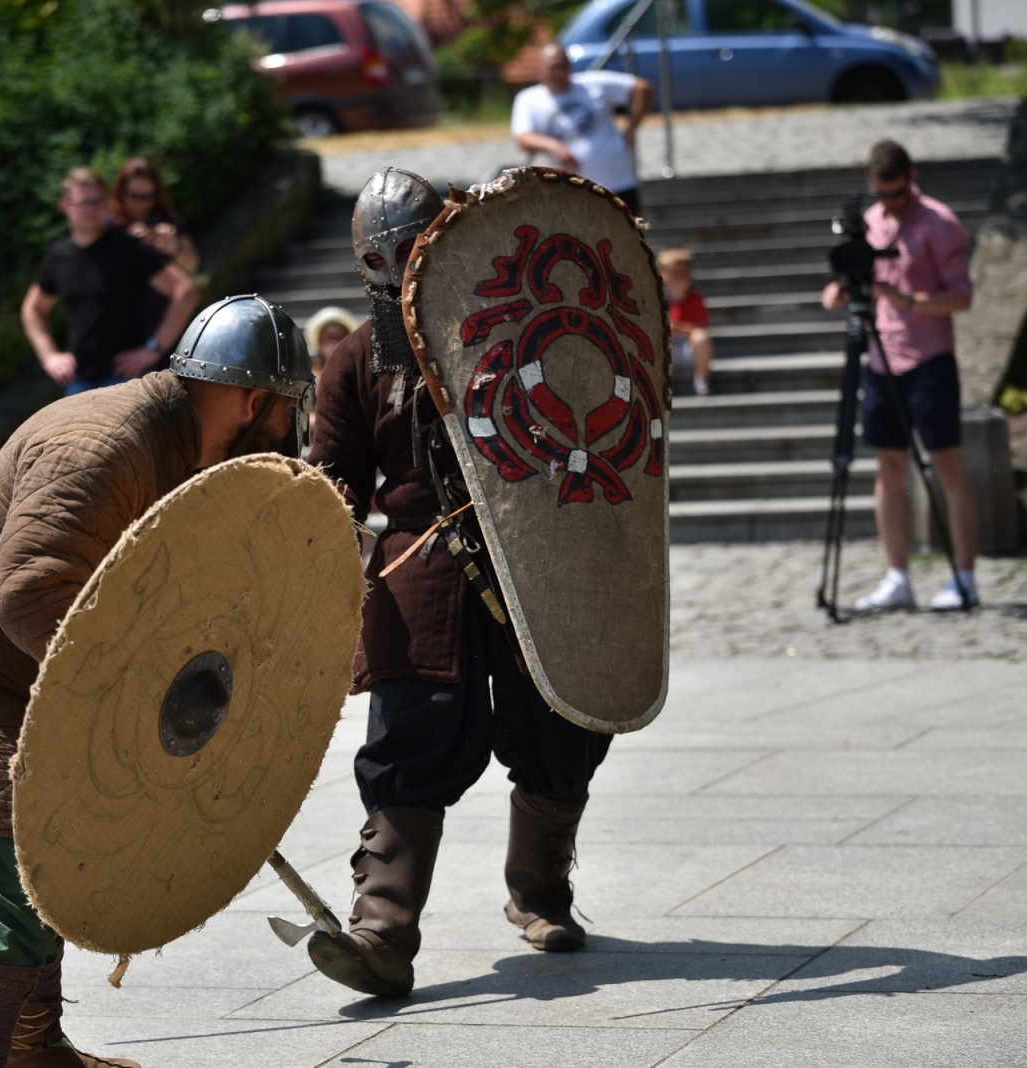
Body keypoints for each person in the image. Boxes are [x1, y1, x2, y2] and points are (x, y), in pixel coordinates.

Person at [0, 294, 314, 1068]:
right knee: (2, 907)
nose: (277, 443)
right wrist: (148, 699)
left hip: (13, 685)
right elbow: (32, 595)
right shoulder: (103, 444)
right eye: (279, 421)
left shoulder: (171, 444)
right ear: (250, 400)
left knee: (46, 881)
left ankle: (36, 1051)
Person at [304, 168, 614, 999]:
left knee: (560, 721)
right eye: (388, 255)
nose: (406, 266)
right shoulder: (355, 359)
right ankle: (383, 930)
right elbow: (332, 477)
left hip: (533, 554)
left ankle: (540, 892)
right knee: (413, 734)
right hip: (420, 574)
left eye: (419, 247)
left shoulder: (524, 332)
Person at [821, 140, 979, 612]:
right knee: (888, 467)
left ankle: (965, 577)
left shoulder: (939, 222)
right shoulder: (869, 221)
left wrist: (905, 299)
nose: (891, 202)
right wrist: (840, 291)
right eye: (882, 193)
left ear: (914, 175)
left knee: (947, 464)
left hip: (929, 357)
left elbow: (962, 298)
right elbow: (853, 278)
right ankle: (898, 577)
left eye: (899, 192)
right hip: (881, 353)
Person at [22, 166, 198, 396]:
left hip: (127, 379)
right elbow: (33, 309)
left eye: (97, 201)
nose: (92, 210)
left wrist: (153, 349)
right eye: (84, 203)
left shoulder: (128, 247)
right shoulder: (59, 256)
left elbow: (185, 292)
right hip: (78, 382)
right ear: (65, 206)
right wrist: (50, 356)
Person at [511, 41, 652, 217]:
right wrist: (554, 146)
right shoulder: (529, 98)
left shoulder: (592, 83)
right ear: (540, 70)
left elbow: (641, 88)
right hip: (571, 192)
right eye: (554, 67)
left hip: (619, 184)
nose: (561, 72)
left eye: (564, 65)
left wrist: (631, 129)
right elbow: (523, 138)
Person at [109, 157, 200, 275]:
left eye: (149, 196)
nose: (143, 203)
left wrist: (174, 249)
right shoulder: (110, 224)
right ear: (121, 193)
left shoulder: (167, 216)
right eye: (136, 197)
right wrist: (130, 245)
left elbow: (192, 266)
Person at [658, 248, 714, 395]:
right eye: (673, 274)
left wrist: (678, 329)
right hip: (665, 349)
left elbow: (702, 328)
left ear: (689, 275)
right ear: (663, 275)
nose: (678, 279)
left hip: (687, 349)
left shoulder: (695, 299)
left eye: (682, 275)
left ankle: (701, 377)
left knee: (701, 338)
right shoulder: (657, 300)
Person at [303, 306, 361, 382]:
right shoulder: (309, 380)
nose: (334, 344)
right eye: (329, 339)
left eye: (339, 337)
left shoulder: (361, 377)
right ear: (319, 342)